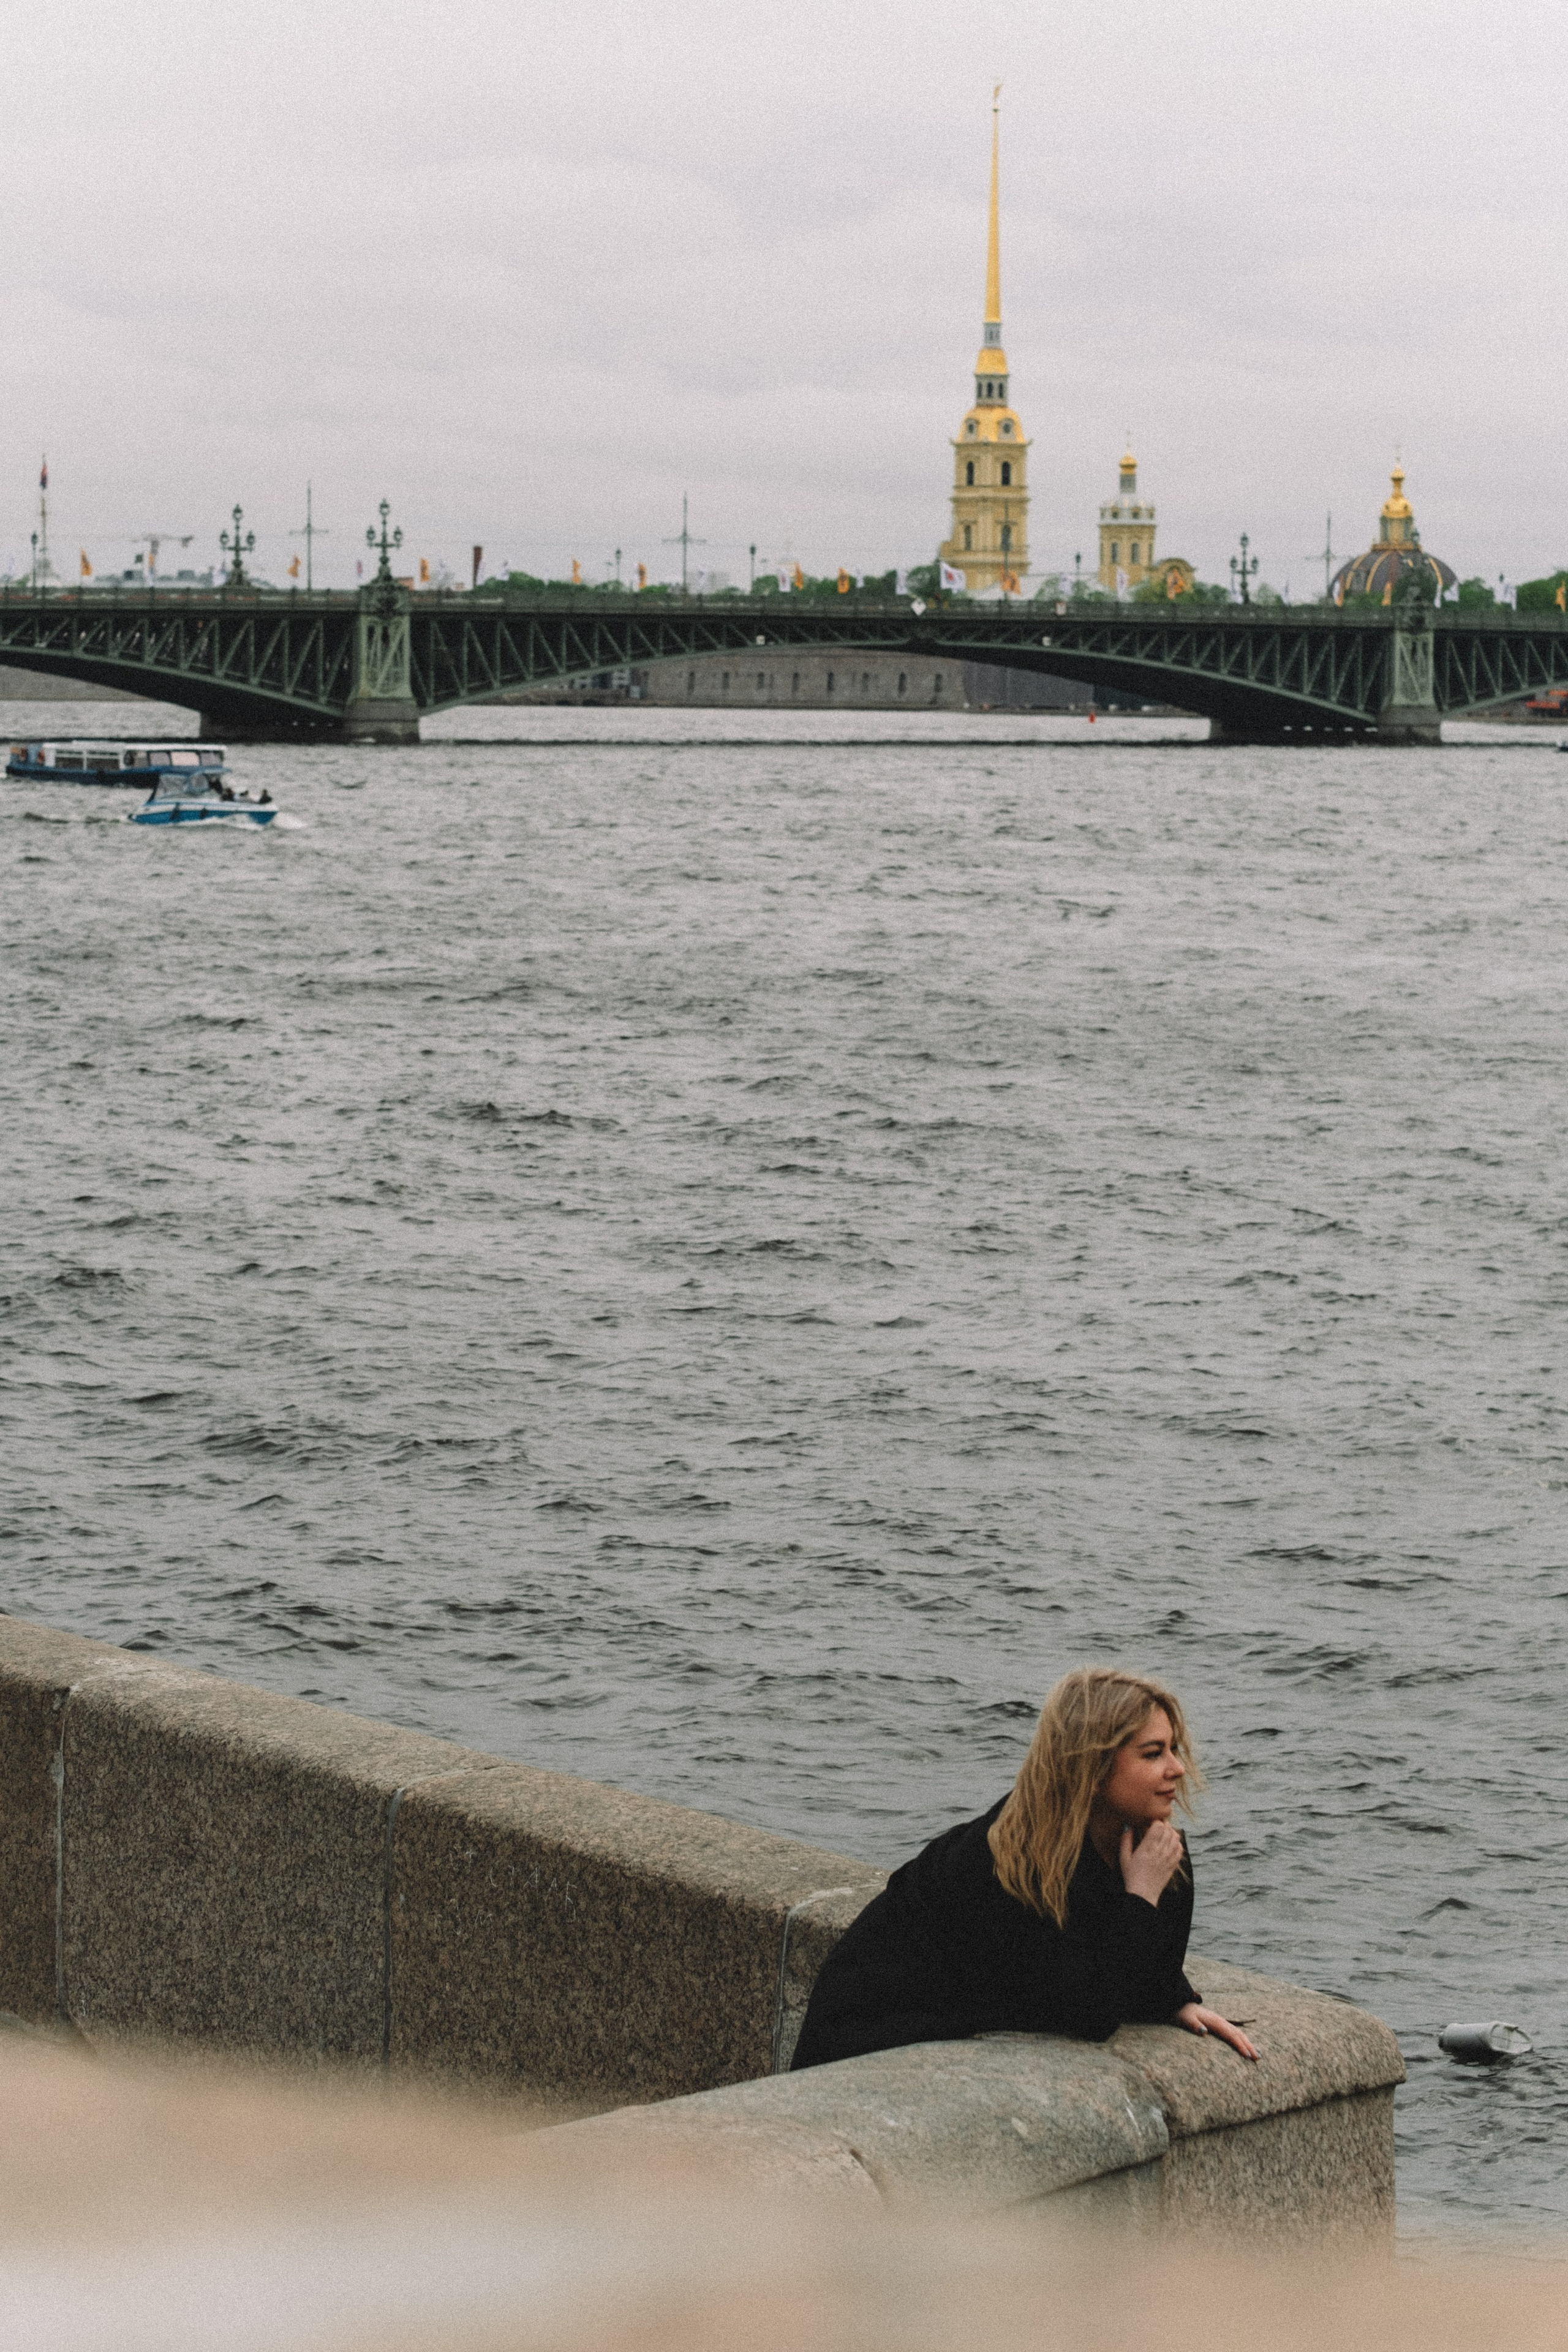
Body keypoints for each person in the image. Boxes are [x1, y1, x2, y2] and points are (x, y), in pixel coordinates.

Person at [791, 1666, 1258, 2070]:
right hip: (873, 2032)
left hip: (961, 2032)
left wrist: (1172, 1999)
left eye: (1174, 1749)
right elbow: (1090, 2014)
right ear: (1092, 1769)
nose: (1177, 1768)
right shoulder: (1007, 1861)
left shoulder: (1154, 1846)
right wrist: (1139, 1896)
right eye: (1153, 1753)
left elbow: (1143, 1970)